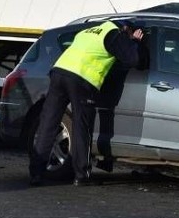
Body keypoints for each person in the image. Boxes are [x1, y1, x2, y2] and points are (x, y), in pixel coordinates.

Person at [28, 20, 144, 187]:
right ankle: (81, 175)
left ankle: (36, 174)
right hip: (81, 80)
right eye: (128, 32)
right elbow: (133, 59)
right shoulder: (114, 34)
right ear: (125, 28)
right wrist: (134, 41)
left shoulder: (89, 31)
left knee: (48, 123)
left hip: (59, 73)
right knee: (82, 126)